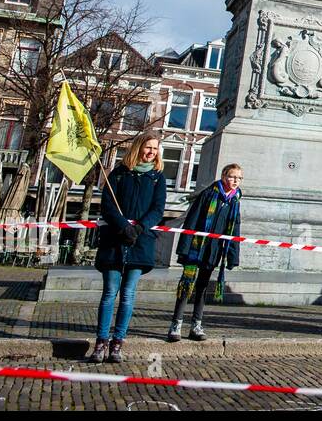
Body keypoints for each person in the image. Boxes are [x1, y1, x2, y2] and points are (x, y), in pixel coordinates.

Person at [87, 133, 167, 364]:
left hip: (140, 243)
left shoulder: (157, 178)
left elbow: (158, 209)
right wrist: (123, 226)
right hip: (114, 240)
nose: (151, 152)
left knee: (128, 295)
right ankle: (101, 341)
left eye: (155, 149)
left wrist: (140, 228)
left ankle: (117, 342)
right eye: (148, 147)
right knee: (110, 293)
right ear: (138, 148)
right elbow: (108, 204)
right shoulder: (119, 174)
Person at [167, 163, 243, 342]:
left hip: (213, 250)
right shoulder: (208, 194)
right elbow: (192, 221)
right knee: (186, 286)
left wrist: (233, 255)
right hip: (196, 247)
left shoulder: (235, 200)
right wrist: (184, 248)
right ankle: (176, 323)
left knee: (202, 287)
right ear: (224, 176)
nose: (235, 181)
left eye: (239, 178)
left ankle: (196, 324)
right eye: (233, 177)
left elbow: (234, 230)